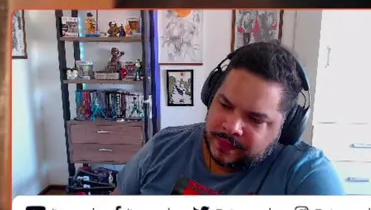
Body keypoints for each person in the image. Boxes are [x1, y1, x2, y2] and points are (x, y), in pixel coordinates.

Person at [115, 41, 345, 196]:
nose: (232, 126)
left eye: (255, 119)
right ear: (210, 95)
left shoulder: (306, 176)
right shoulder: (162, 148)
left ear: (286, 127)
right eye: (225, 105)